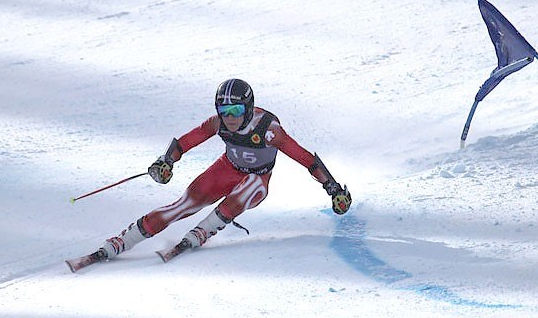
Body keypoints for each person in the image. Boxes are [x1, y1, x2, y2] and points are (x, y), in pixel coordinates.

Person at [95, 78, 351, 261]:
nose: (230, 117)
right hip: (226, 169)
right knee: (183, 205)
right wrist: (166, 161)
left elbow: (306, 158)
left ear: (248, 107)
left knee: (244, 191)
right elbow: (185, 142)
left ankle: (205, 229)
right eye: (224, 110)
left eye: (236, 110)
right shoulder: (218, 123)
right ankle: (121, 242)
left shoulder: (269, 130)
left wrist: (333, 188)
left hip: (257, 180)